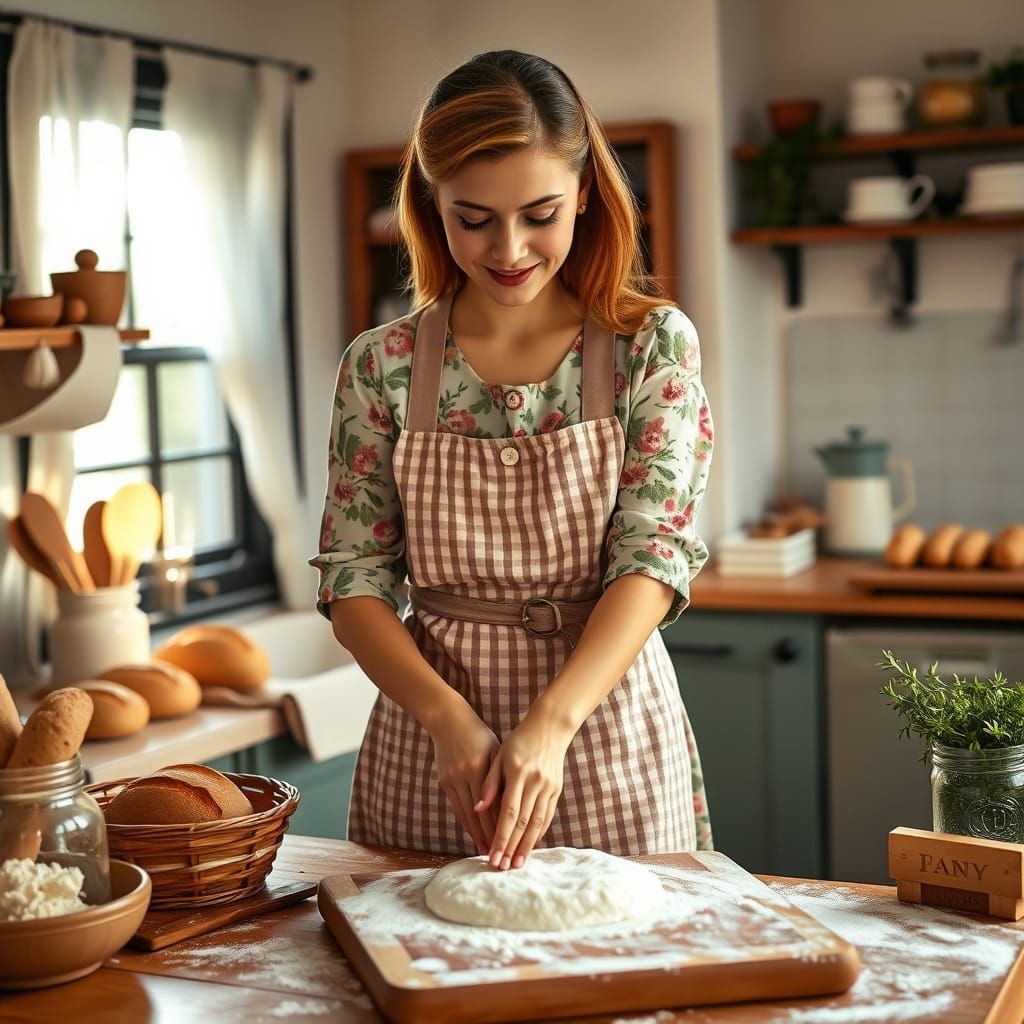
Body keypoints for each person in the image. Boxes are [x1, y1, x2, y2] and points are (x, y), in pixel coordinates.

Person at [311, 49, 713, 872]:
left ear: (587, 195)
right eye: (474, 218)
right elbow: (353, 579)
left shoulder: (649, 347)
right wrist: (448, 721)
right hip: (432, 754)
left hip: (605, 732)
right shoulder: (382, 365)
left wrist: (552, 723)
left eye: (540, 214)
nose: (509, 249)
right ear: (432, 205)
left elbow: (654, 555)